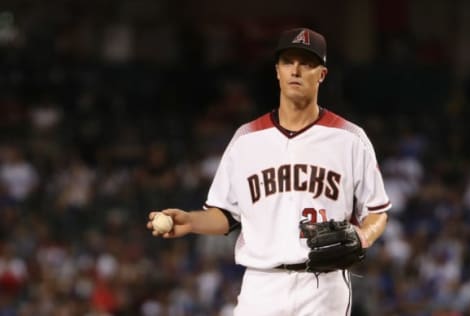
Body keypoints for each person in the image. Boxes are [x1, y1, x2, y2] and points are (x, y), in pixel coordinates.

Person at [147, 27, 391, 316]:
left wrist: (364, 237)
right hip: (260, 285)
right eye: (288, 62)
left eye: (306, 63)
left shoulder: (350, 138)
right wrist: (190, 220)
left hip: (323, 286)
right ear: (277, 71)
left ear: (321, 74)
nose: (296, 71)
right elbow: (226, 215)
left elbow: (377, 211)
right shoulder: (246, 138)